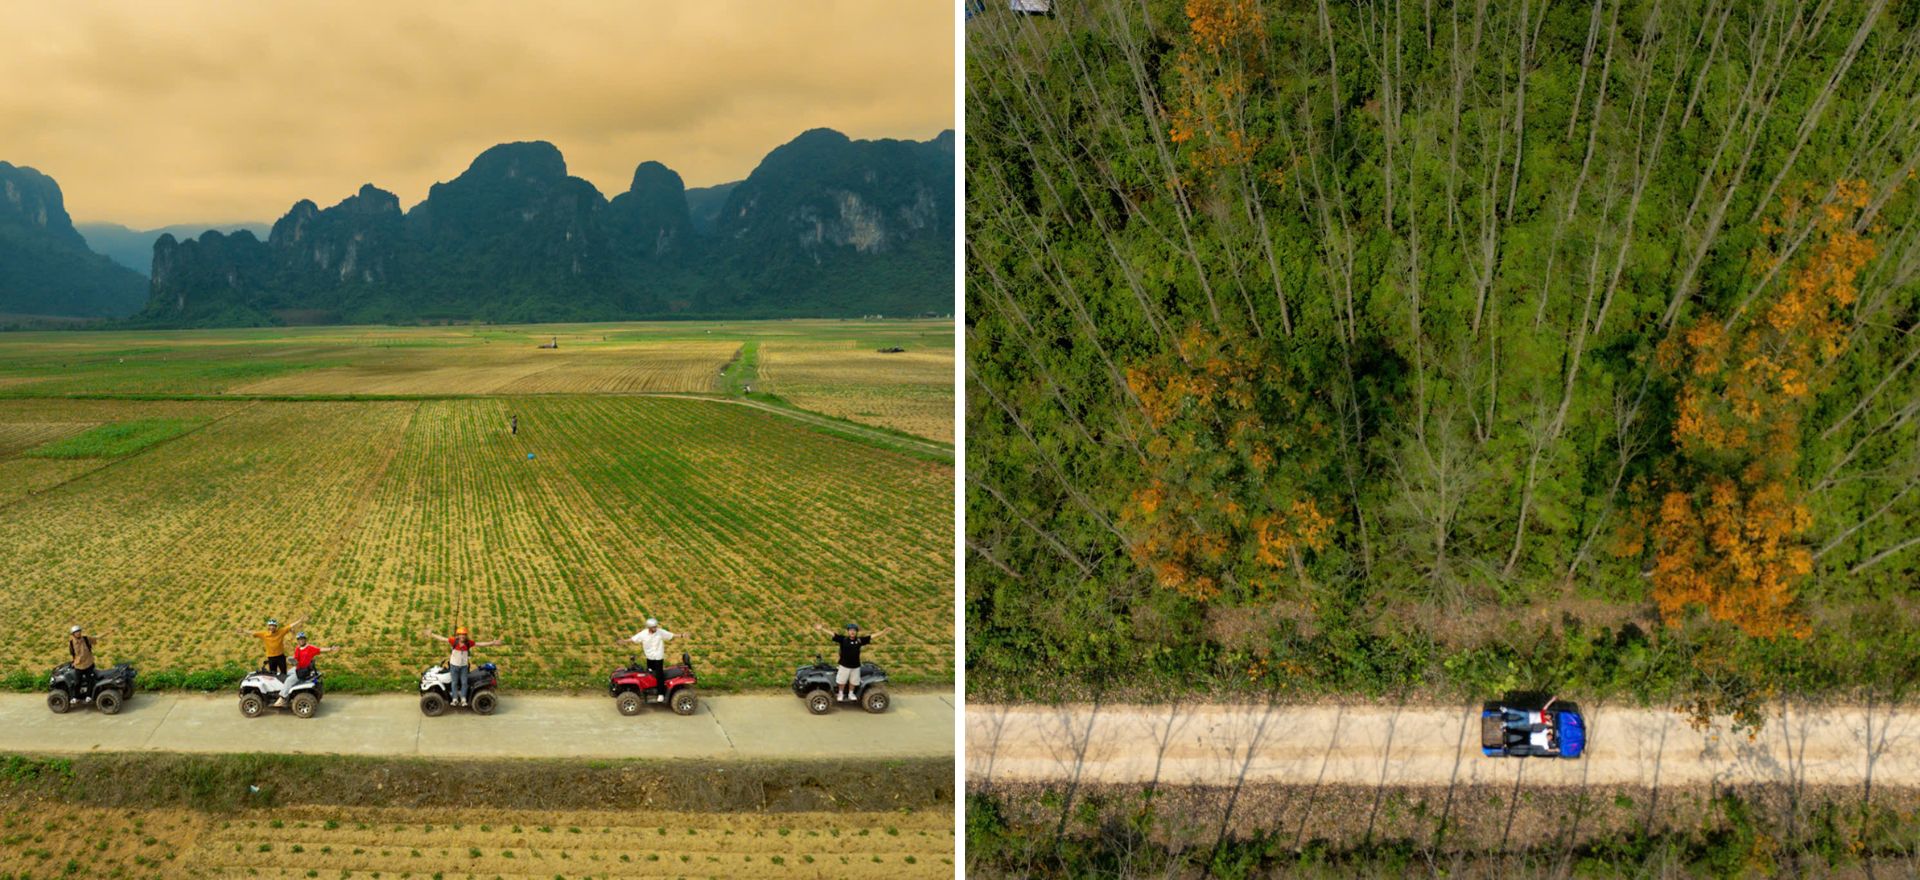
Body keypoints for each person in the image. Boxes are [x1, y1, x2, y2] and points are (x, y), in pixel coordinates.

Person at [423, 626, 502, 707]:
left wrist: (492, 643)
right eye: (460, 634)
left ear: (466, 635)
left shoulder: (468, 643)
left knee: (464, 683)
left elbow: (480, 644)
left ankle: (463, 699)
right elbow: (443, 639)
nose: (462, 636)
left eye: (464, 634)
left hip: (463, 667)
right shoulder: (454, 641)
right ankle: (455, 699)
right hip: (454, 666)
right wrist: (432, 634)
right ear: (458, 635)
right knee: (454, 683)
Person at [814, 622, 889, 702]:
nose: (852, 632)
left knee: (853, 681)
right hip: (844, 665)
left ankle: (851, 693)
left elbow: (871, 637)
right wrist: (822, 629)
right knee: (841, 681)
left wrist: (883, 632)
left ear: (856, 632)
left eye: (854, 630)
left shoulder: (859, 640)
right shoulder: (843, 639)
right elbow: (833, 634)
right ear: (848, 631)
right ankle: (840, 693)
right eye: (850, 630)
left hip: (855, 666)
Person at [620, 618, 688, 698]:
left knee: (659, 675)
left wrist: (682, 635)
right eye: (653, 627)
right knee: (650, 674)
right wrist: (624, 641)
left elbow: (671, 635)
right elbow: (634, 639)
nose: (655, 628)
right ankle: (653, 689)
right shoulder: (643, 634)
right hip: (649, 657)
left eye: (656, 627)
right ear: (648, 627)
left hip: (658, 657)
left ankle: (661, 693)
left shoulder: (660, 632)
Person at [237, 616, 306, 679]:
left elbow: (290, 625)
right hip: (271, 657)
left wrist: (300, 620)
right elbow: (253, 632)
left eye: (274, 626)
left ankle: (284, 688)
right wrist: (243, 631)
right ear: (268, 626)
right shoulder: (264, 634)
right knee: (273, 674)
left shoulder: (281, 631)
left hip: (280, 657)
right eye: (271, 625)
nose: (272, 627)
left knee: (284, 673)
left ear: (276, 627)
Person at [67, 625, 98, 699]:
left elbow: (96, 637)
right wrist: (75, 661)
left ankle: (88, 696)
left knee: (90, 681)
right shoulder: (71, 643)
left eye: (79, 631)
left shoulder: (86, 639)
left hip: (88, 664)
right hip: (79, 666)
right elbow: (73, 654)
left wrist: (108, 633)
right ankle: (75, 697)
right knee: (77, 682)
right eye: (76, 632)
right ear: (73, 634)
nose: (78, 633)